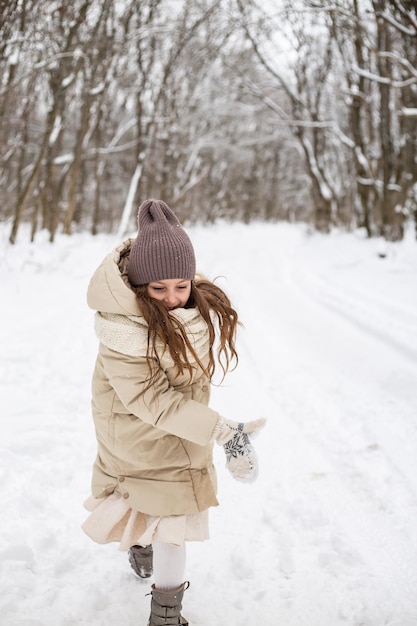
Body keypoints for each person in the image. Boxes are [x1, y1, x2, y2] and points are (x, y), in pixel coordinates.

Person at [82, 198, 265, 625]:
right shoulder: (121, 333)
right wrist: (223, 430)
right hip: (134, 429)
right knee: (169, 517)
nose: (171, 298)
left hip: (177, 425)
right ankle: (165, 615)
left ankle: (154, 575)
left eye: (181, 286)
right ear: (139, 286)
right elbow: (151, 400)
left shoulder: (188, 308)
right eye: (158, 289)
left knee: (168, 513)